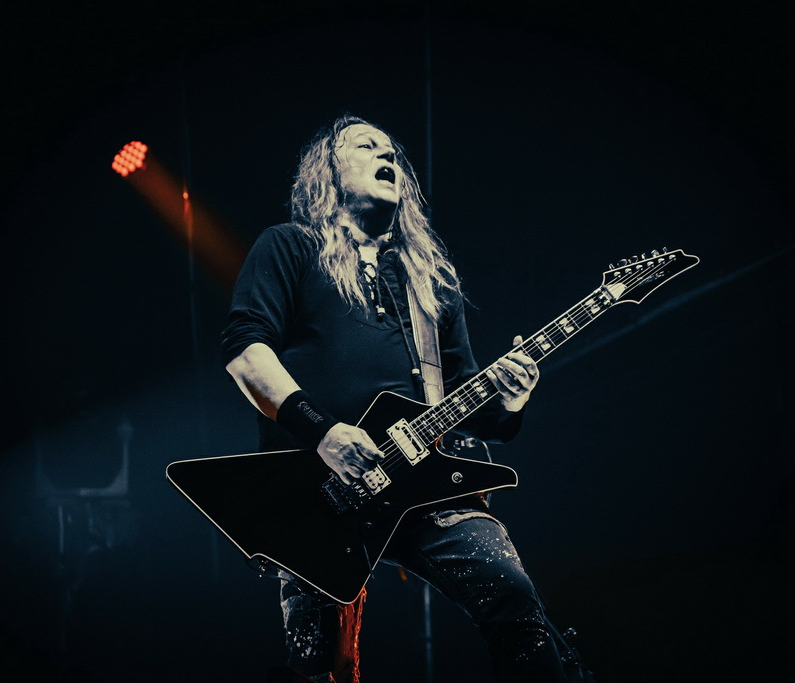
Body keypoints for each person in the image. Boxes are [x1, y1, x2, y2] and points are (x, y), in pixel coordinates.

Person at [220, 115, 589, 682]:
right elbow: (246, 354)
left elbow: (470, 400)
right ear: (328, 172)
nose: (386, 155)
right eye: (366, 146)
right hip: (315, 488)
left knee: (515, 603)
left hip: (424, 481)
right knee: (319, 663)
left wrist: (511, 400)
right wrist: (323, 432)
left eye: (392, 150)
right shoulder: (290, 246)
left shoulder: (430, 279)